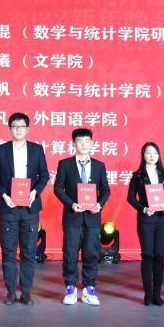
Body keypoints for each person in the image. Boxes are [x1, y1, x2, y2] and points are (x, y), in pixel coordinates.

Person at [0, 112, 50, 305]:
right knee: (8, 251)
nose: (18, 130)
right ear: (9, 129)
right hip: (8, 207)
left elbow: (44, 176)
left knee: (29, 252)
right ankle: (10, 292)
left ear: (27, 129)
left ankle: (25, 292)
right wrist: (4, 195)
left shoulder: (37, 150)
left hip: (30, 208)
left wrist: (35, 192)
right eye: (14, 126)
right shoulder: (1, 150)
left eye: (21, 126)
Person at [52, 127, 110, 306]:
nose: (83, 144)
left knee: (91, 253)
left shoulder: (99, 165)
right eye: (80, 141)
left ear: (92, 143)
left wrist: (99, 204)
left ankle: (88, 289)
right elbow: (58, 188)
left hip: (92, 217)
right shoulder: (65, 164)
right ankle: (70, 288)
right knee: (70, 253)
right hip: (72, 216)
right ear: (74, 143)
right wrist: (71, 204)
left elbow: (105, 189)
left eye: (87, 141)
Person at [126, 141, 164, 306]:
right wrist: (143, 209)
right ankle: (148, 294)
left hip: (162, 220)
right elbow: (130, 198)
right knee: (147, 256)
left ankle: (157, 295)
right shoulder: (138, 175)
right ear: (143, 155)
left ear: (159, 155)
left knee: (159, 257)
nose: (152, 156)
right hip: (146, 220)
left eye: (155, 153)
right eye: (148, 152)